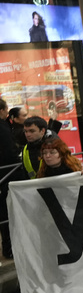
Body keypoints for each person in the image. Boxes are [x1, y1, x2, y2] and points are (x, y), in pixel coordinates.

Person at [0, 99, 21, 258]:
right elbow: (9, 153)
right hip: (6, 175)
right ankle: (9, 247)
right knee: (6, 212)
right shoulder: (3, 128)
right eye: (6, 109)